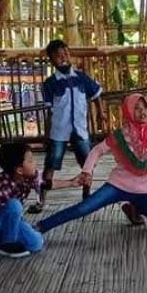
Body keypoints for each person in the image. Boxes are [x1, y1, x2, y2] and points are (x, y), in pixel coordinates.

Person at [36, 93, 147, 234]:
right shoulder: (121, 135)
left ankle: (133, 206)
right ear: (129, 111)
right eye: (137, 108)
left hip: (143, 190)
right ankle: (41, 227)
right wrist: (87, 171)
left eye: (145, 107)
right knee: (83, 208)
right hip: (117, 185)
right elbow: (97, 150)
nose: (143, 112)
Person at [0, 143, 80, 258]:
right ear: (20, 170)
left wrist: (72, 182)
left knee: (36, 243)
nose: (35, 163)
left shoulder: (27, 177)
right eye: (30, 161)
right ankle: (7, 244)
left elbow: (45, 184)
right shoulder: (1, 186)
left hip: (9, 221)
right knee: (14, 205)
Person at [32, 39, 105, 212]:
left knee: (87, 163)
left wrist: (101, 113)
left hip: (80, 129)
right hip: (59, 131)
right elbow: (49, 111)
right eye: (58, 56)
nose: (63, 58)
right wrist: (47, 134)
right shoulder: (50, 83)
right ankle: (41, 199)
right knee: (51, 164)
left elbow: (96, 95)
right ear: (51, 60)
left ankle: (86, 196)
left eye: (65, 54)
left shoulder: (81, 77)